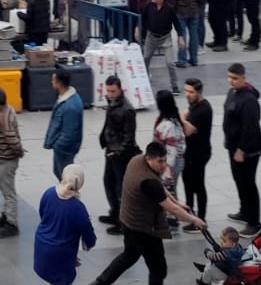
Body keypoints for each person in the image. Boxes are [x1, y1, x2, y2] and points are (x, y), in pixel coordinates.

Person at [88, 140, 206, 285]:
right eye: (160, 161)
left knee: (129, 256)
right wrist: (194, 220)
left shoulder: (136, 161)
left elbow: (161, 188)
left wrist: (176, 202)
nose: (164, 165)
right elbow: (171, 209)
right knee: (158, 269)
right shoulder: (149, 183)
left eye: (165, 160)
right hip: (144, 230)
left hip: (128, 221)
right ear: (149, 158)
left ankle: (100, 282)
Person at [33, 163, 98, 285]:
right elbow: (87, 231)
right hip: (61, 253)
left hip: (41, 247)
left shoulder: (49, 193)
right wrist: (91, 242)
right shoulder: (77, 207)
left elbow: (43, 214)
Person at [222, 64, 261, 235]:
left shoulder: (249, 101)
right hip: (233, 146)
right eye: (229, 77)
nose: (231, 81)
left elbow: (250, 127)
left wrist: (241, 150)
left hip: (248, 150)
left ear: (243, 79)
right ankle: (244, 210)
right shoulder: (232, 93)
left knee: (248, 184)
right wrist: (227, 138)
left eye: (235, 78)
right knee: (239, 181)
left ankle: (254, 221)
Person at [99, 75, 139, 233]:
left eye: (113, 91)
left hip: (120, 154)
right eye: (108, 91)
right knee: (108, 182)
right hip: (111, 149)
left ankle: (123, 222)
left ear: (120, 89)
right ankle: (114, 213)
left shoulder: (127, 109)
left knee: (120, 187)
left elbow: (130, 136)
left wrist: (118, 151)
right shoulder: (113, 103)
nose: (110, 94)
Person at [0, 85, 24, 237]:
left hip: (6, 159)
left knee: (8, 191)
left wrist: (19, 151)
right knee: (5, 188)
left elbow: (12, 139)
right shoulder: (5, 110)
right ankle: (6, 214)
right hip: (2, 157)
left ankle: (12, 223)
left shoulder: (4, 118)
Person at [179, 78, 213, 230]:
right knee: (188, 183)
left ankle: (200, 218)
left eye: (191, 92)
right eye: (186, 91)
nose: (187, 94)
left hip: (199, 153)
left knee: (198, 185)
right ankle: (190, 213)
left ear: (199, 92)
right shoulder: (195, 105)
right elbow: (184, 116)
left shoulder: (203, 109)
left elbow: (187, 129)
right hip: (190, 152)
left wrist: (182, 119)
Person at [44, 68, 85, 181]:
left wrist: (57, 145)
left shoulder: (70, 106)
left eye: (53, 80)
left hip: (64, 149)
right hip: (62, 147)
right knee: (58, 172)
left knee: (65, 178)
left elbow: (69, 133)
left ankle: (67, 197)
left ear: (59, 83)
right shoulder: (65, 99)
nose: (51, 82)